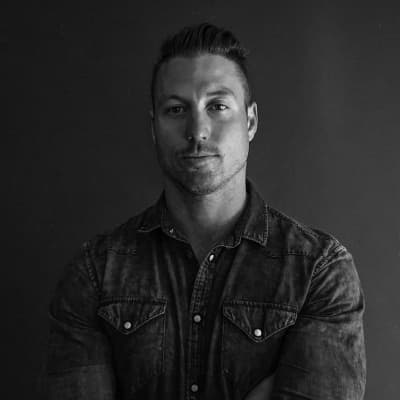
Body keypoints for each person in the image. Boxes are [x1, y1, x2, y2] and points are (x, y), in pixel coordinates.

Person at [46, 23, 366, 400]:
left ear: (250, 121)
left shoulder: (318, 271)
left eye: (217, 106)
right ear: (154, 127)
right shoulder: (95, 272)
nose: (197, 130)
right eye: (176, 109)